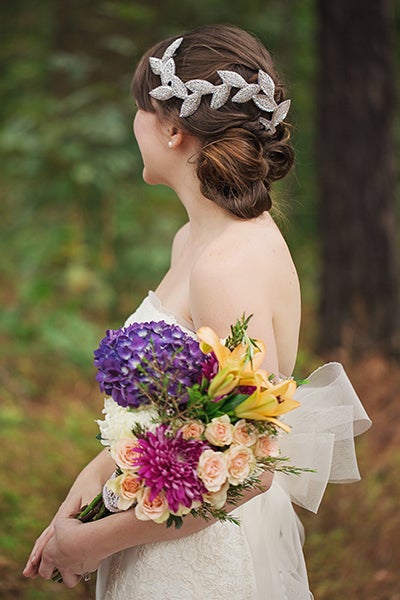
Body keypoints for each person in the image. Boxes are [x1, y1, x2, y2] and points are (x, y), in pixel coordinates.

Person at [23, 24, 370, 599]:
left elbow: (250, 466)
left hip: (200, 561)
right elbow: (182, 422)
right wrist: (96, 476)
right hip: (158, 530)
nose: (133, 124)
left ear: (172, 128)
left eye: (140, 108)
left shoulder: (228, 264)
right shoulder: (193, 241)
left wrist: (96, 541)